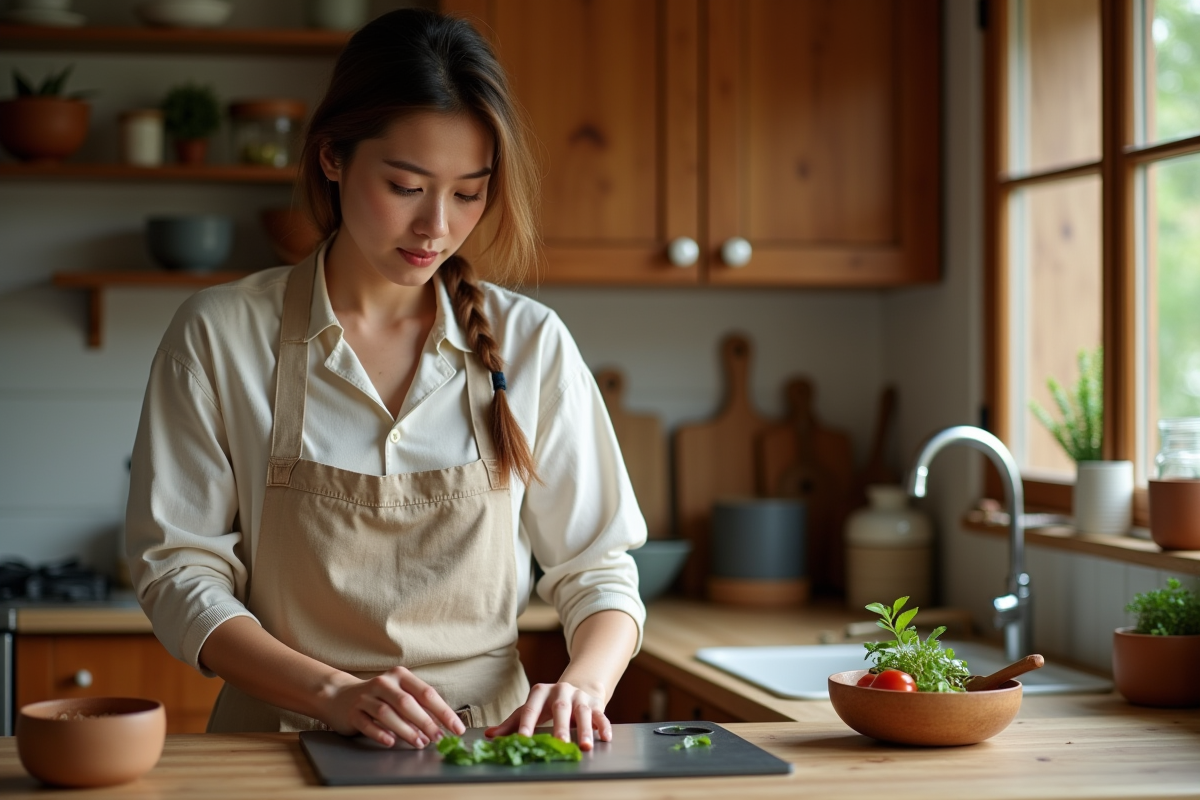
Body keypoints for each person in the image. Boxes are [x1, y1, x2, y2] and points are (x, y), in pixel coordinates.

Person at [125, 8, 646, 752]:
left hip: (485, 749)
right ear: (333, 156)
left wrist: (582, 686)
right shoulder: (220, 336)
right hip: (279, 745)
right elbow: (177, 572)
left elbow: (598, 568)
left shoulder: (532, 345)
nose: (437, 225)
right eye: (406, 185)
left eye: (469, 193)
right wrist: (332, 693)